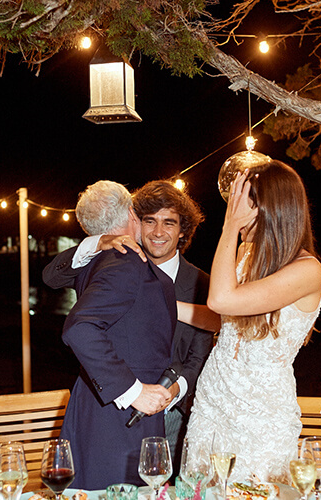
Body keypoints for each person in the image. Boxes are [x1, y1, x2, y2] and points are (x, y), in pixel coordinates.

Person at [43, 180, 217, 471]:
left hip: (175, 411)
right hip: (114, 404)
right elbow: (52, 279)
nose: (158, 232)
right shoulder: (117, 260)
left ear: (183, 230)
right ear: (135, 220)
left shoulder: (202, 283)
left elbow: (199, 355)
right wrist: (100, 240)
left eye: (169, 223)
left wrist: (174, 390)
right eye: (149, 221)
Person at [185, 161, 321, 484]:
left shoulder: (308, 271)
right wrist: (167, 306)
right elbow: (223, 319)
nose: (235, 210)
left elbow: (220, 299)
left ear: (270, 208)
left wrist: (228, 227)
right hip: (213, 400)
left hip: (261, 414)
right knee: (200, 489)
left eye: (243, 203)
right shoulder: (248, 254)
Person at [57, 180, 176, 489]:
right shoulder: (124, 261)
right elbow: (79, 327)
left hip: (102, 404)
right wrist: (134, 391)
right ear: (131, 213)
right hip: (120, 418)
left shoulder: (99, 259)